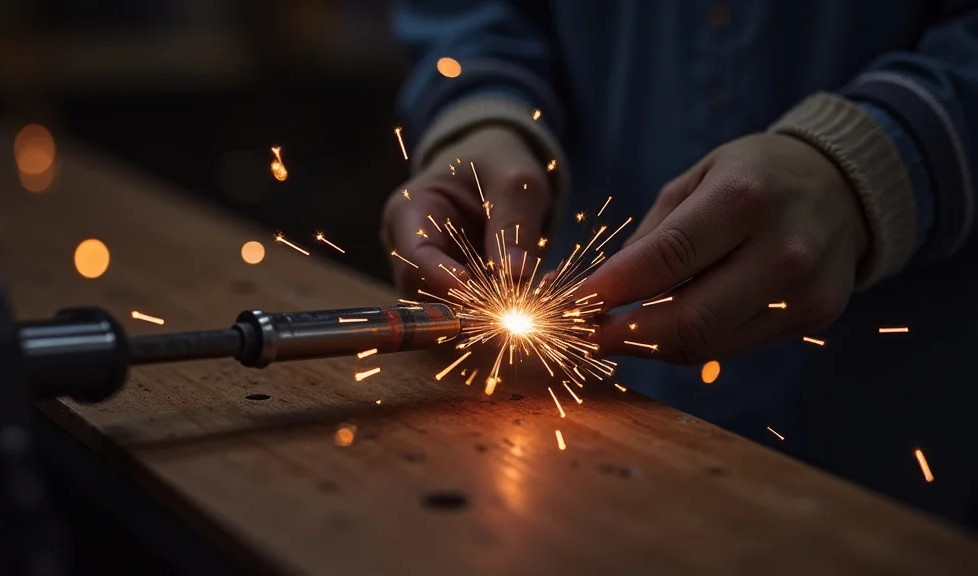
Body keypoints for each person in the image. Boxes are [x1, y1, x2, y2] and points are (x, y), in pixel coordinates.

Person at [383, 1, 978, 528]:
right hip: (595, 430)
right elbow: (468, 16)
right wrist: (482, 114)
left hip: (896, 446)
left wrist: (876, 159)